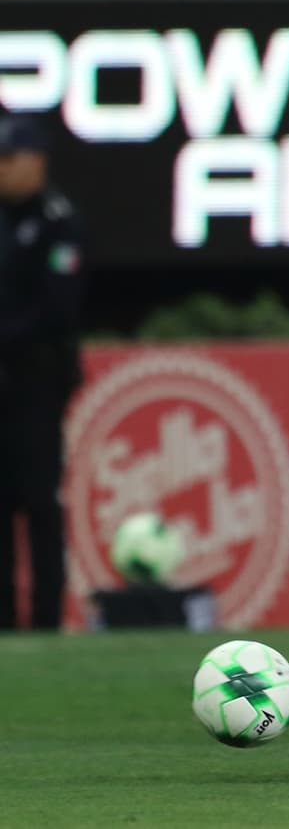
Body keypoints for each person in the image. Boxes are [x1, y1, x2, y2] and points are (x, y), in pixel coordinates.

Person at [0, 113, 84, 631]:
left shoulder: (59, 219)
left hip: (38, 383)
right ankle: (5, 620)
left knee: (40, 500)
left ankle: (49, 620)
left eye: (10, 159)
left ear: (36, 162)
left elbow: (58, 307)